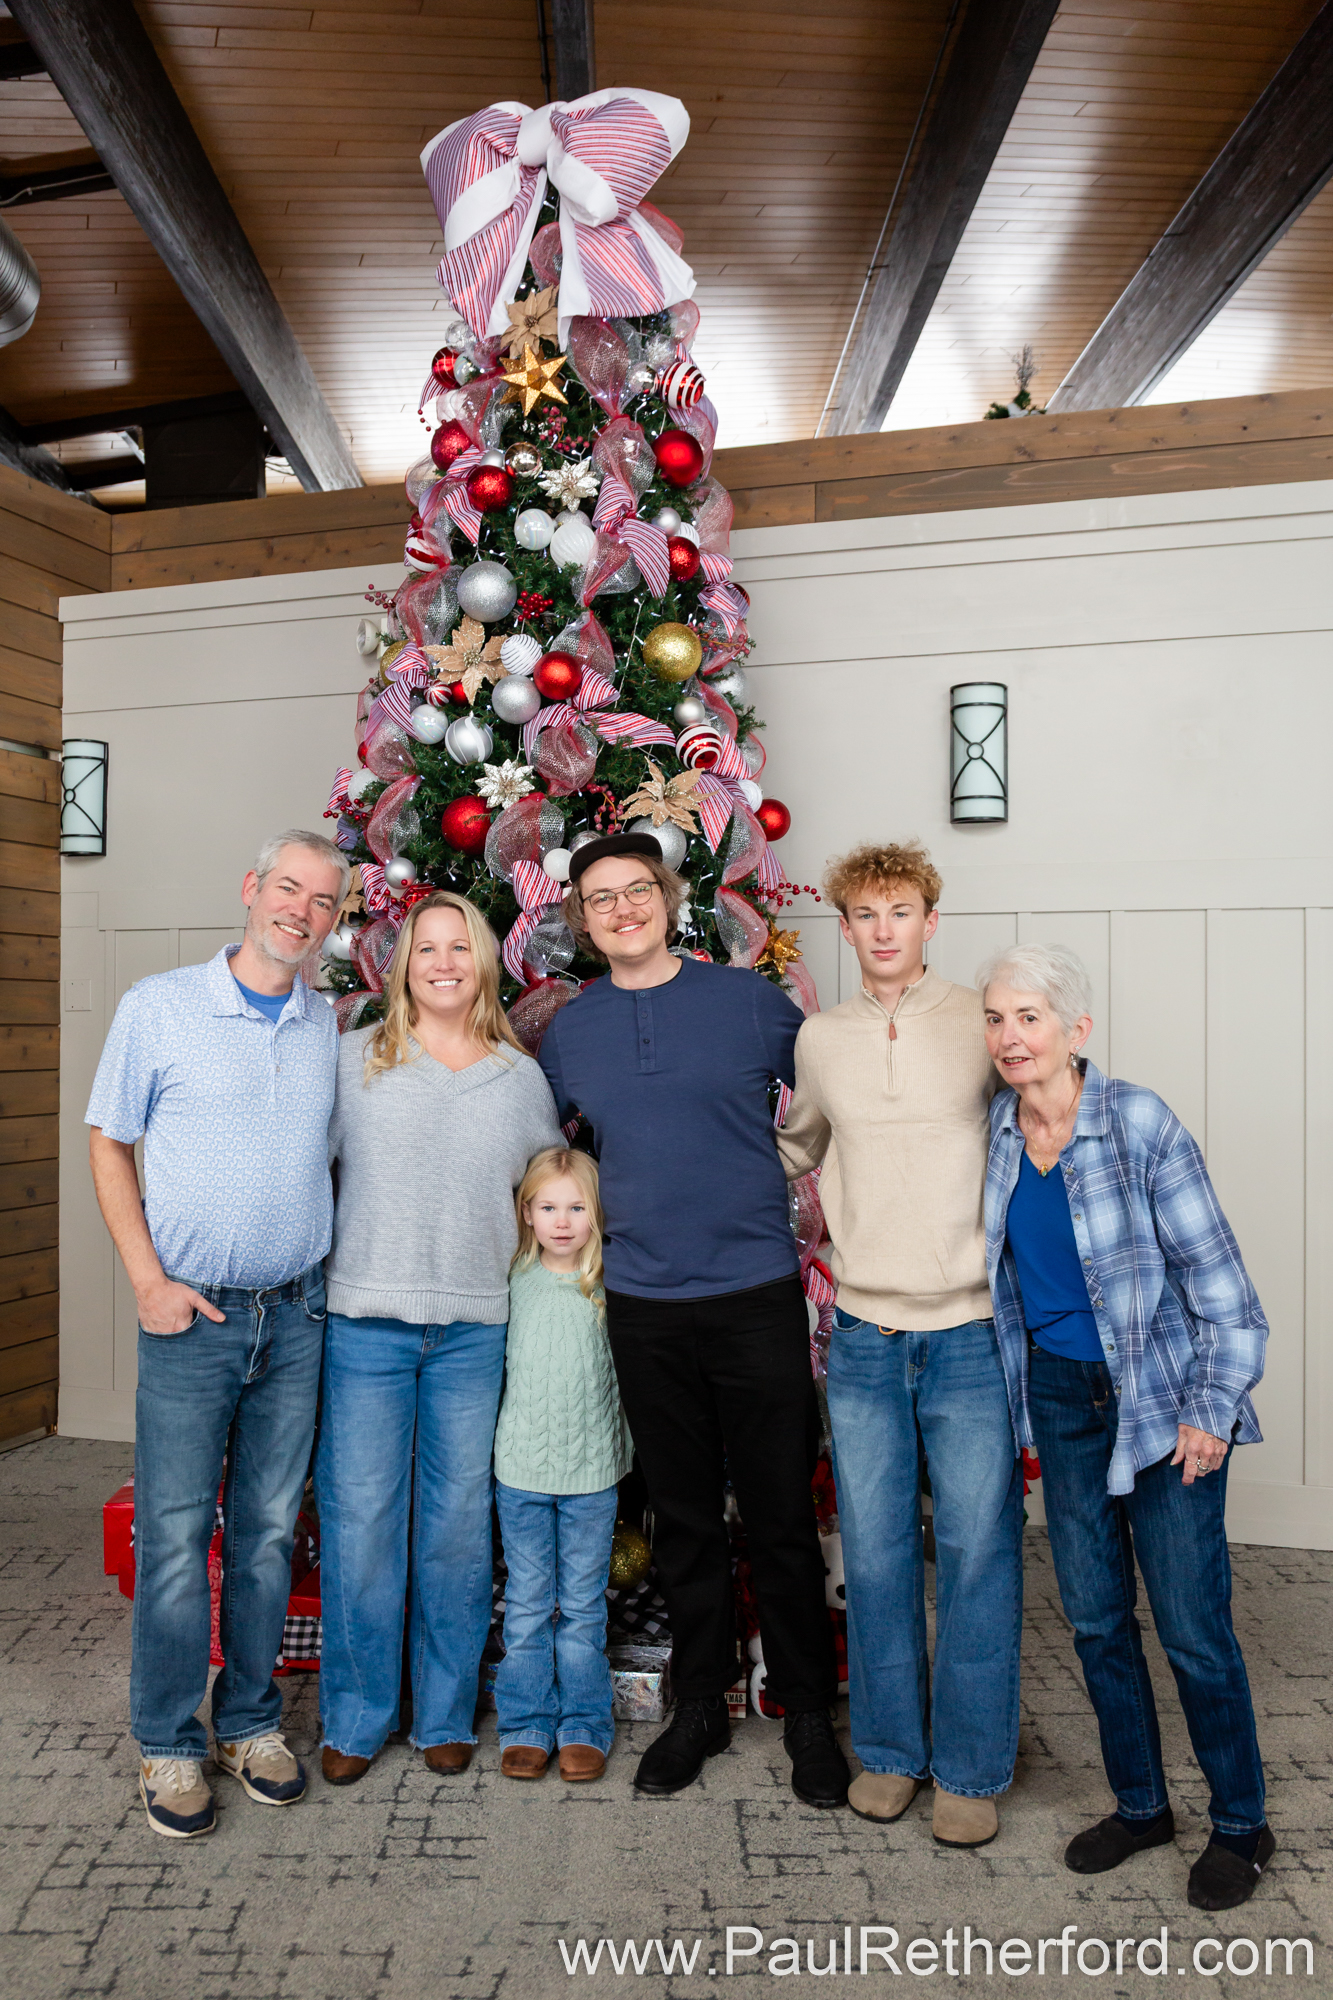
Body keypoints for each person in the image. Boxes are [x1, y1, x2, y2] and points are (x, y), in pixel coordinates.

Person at [539, 831, 846, 1809]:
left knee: (779, 1516)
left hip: (754, 1294)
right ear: (581, 921)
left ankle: (803, 1707)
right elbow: (558, 1169)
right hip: (643, 1306)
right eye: (601, 897)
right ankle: (701, 1703)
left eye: (638, 889)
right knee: (680, 1519)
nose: (622, 907)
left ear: (670, 898)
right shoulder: (570, 1034)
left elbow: (841, 1101)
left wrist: (804, 1183)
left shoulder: (750, 1003)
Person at [979, 942, 1272, 1912]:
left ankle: (1241, 1820)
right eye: (995, 1018)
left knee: (1191, 1626)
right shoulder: (996, 1131)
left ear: (1076, 1029)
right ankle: (1141, 1803)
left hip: (1161, 1398)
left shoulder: (1138, 1121)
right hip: (1062, 1401)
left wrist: (1211, 1406)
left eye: (1028, 1016)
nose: (1010, 1036)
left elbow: (1225, 1290)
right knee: (1097, 1617)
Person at [86, 830, 348, 1838]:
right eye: (288, 887)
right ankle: (168, 1740)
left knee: (271, 1533)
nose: (301, 909)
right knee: (174, 1537)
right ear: (251, 889)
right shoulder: (159, 1005)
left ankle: (247, 1722)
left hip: (297, 1312)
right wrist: (147, 1279)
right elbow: (109, 1138)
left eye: (323, 900)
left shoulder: (330, 1024)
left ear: (333, 919)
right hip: (191, 1312)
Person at [777, 842, 1021, 1849]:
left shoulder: (978, 1019)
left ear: (930, 920)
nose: (883, 928)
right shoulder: (821, 1039)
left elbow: (1039, 1129)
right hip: (867, 1334)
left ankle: (969, 1764)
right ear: (844, 928)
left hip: (967, 1329)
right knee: (875, 1552)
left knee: (973, 1552)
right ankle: (887, 1749)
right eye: (865, 914)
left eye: (901, 910)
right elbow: (797, 1148)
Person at [317, 891, 561, 1786]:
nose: (446, 963)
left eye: (462, 948)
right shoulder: (350, 1064)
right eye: (428, 949)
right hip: (365, 1328)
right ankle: (354, 1717)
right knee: (363, 1527)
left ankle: (447, 1714)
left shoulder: (519, 1077)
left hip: (471, 1333)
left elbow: (545, 1205)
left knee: (458, 1531)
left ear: (486, 963)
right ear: (401, 964)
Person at [492, 1146, 632, 1783]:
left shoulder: (605, 1282)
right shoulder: (514, 1275)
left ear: (596, 1213)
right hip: (520, 1471)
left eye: (577, 1207)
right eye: (548, 1207)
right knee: (525, 1603)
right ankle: (524, 1722)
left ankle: (582, 1723)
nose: (563, 1220)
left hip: (591, 1475)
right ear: (526, 1212)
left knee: (580, 1605)